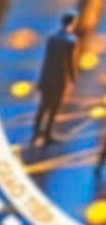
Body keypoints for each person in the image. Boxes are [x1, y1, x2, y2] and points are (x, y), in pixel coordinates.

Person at [33, 11, 81, 147]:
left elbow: (46, 59)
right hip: (60, 78)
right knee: (54, 108)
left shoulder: (52, 37)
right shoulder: (71, 41)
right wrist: (73, 78)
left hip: (47, 76)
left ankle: (36, 132)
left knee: (43, 106)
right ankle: (47, 133)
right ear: (73, 23)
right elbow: (70, 62)